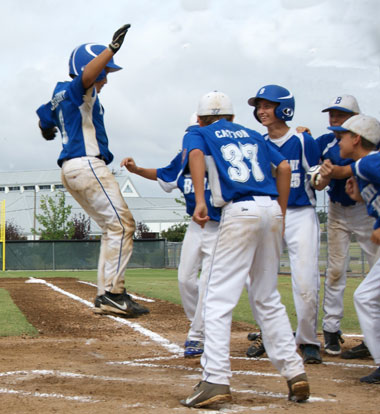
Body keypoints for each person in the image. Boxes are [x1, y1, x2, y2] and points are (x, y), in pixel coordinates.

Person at [180, 91, 309, 408]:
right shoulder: (252, 134)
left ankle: (215, 379)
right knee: (267, 296)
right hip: (270, 211)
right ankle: (295, 373)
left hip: (239, 211)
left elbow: (195, 155)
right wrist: (279, 211)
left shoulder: (199, 131)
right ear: (232, 117)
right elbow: (284, 168)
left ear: (200, 118)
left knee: (216, 298)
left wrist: (199, 200)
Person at [36, 24, 149, 318]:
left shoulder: (60, 93)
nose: (106, 79)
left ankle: (106, 293)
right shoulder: (78, 88)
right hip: (87, 164)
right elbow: (86, 76)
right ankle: (114, 294)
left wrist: (46, 127)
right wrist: (111, 49)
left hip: (73, 168)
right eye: (106, 72)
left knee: (111, 229)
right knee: (124, 226)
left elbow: (44, 114)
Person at [121, 115, 221, 357]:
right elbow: (164, 173)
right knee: (185, 279)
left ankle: (199, 334)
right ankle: (200, 325)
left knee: (210, 282)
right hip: (197, 227)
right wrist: (136, 170)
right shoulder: (185, 158)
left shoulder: (222, 157)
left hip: (222, 225)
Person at [247, 85, 322, 364]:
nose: (262, 111)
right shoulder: (258, 142)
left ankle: (307, 339)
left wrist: (322, 178)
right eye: (259, 107)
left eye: (268, 106)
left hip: (301, 213)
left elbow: (315, 176)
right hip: (269, 213)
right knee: (259, 278)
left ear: (284, 108)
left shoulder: (302, 141)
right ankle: (270, 335)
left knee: (305, 280)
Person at [311, 96, 380, 357]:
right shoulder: (330, 145)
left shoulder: (368, 156)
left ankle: (374, 339)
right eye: (331, 114)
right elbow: (318, 180)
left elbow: (356, 169)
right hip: (340, 209)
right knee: (339, 272)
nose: (334, 119)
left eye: (341, 115)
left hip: (365, 215)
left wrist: (342, 173)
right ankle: (331, 329)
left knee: (371, 282)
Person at [329, 113, 380, 383]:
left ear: (357, 139)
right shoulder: (363, 168)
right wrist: (359, 195)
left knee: (366, 297)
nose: (339, 141)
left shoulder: (370, 162)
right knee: (366, 297)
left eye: (343, 136)